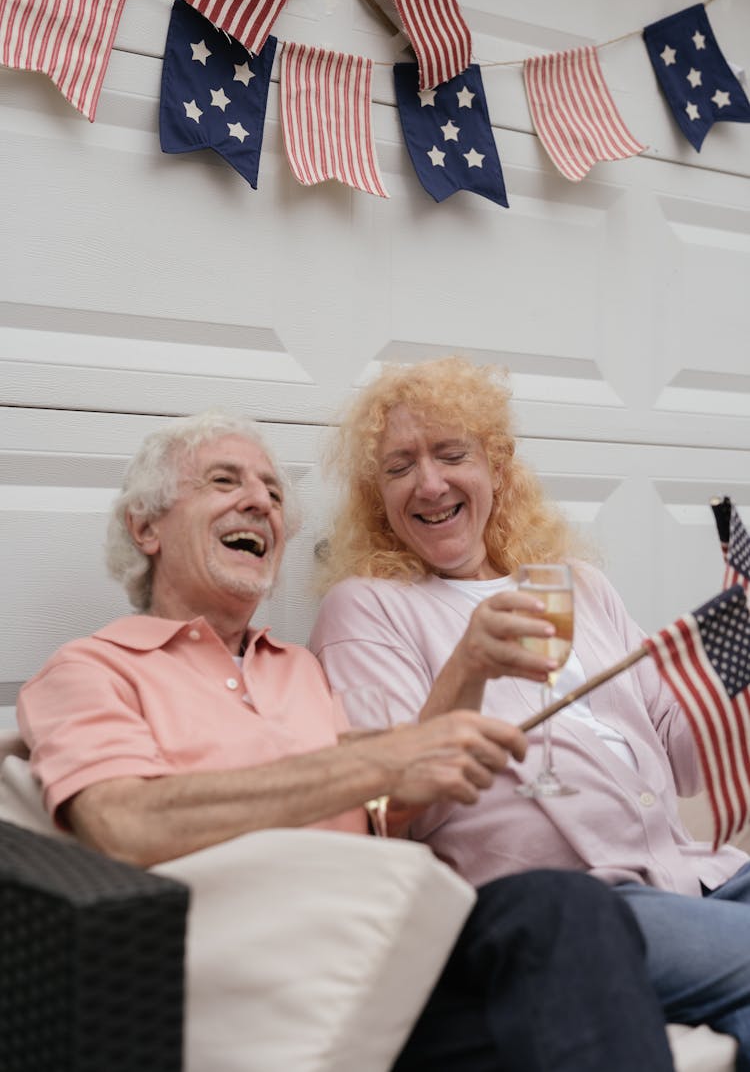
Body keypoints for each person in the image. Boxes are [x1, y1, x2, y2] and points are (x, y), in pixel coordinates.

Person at [16, 409, 674, 1072]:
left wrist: (410, 783)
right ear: (146, 526)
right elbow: (123, 821)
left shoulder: (299, 668)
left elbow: (381, 813)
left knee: (564, 909)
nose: (260, 502)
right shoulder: (91, 669)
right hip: (265, 977)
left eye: (274, 493)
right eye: (225, 481)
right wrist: (370, 760)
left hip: (403, 954)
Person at [309, 356, 750, 1068]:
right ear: (376, 493)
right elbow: (391, 806)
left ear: (497, 465)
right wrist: (469, 665)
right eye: (400, 467)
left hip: (697, 872)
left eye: (452, 454)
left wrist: (741, 658)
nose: (430, 483)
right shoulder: (368, 607)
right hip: (582, 907)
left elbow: (684, 755)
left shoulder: (580, 586)